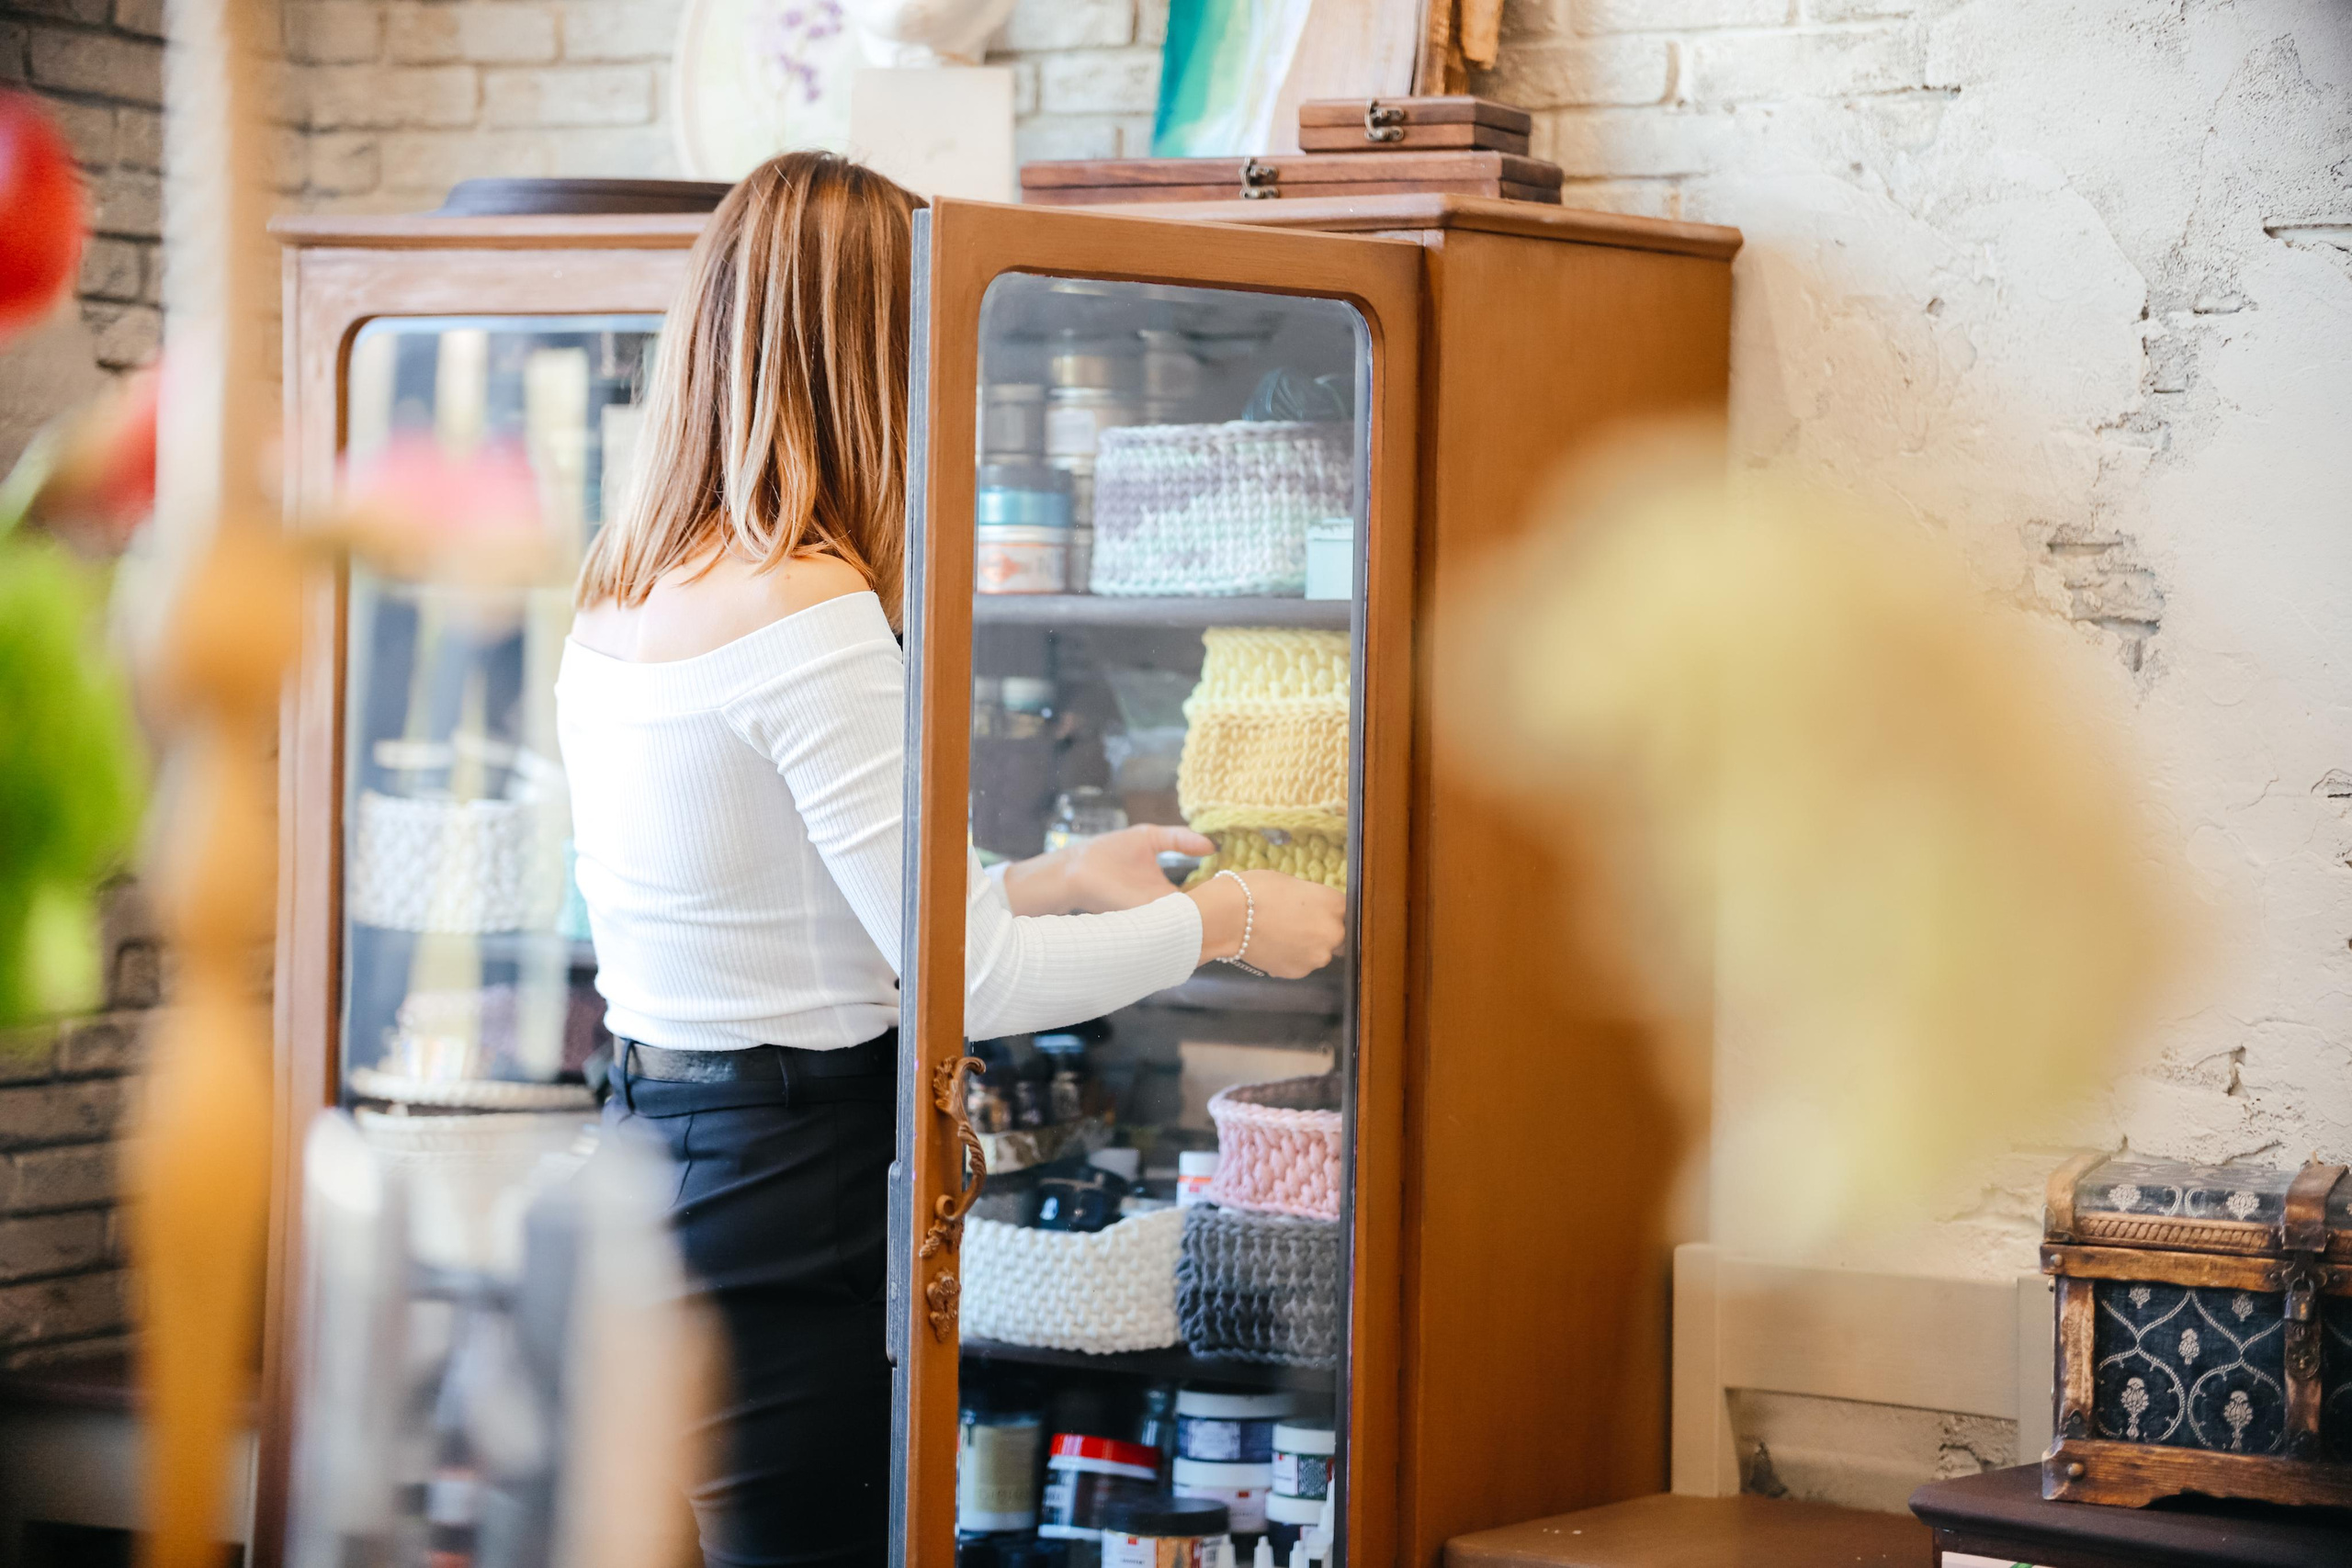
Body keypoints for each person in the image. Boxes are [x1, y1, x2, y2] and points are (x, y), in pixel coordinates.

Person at [555, 151, 1347, 1568]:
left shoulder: (628, 589)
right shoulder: (813, 612)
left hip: (659, 1158)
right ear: (875, 346)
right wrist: (1226, 920)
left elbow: (788, 905)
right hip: (791, 1194)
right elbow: (964, 978)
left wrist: (1059, 874)